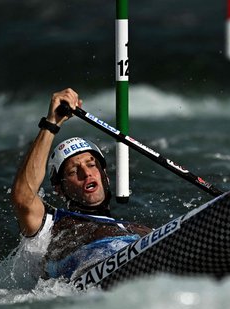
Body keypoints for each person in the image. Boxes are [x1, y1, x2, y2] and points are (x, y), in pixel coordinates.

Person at [11, 88, 152, 279]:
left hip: (144, 272)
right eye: (72, 171)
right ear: (60, 189)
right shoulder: (51, 225)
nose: (85, 173)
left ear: (106, 177)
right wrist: (52, 123)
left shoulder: (135, 228)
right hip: (91, 282)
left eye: (91, 165)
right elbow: (23, 197)